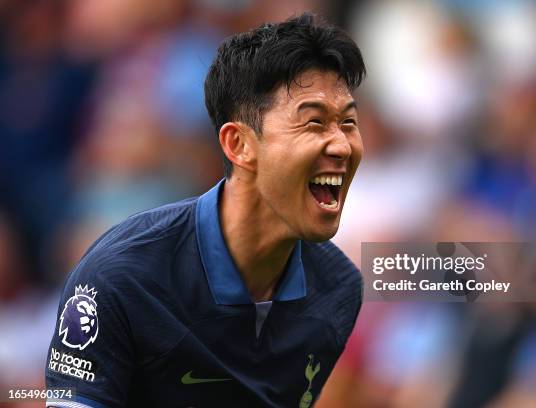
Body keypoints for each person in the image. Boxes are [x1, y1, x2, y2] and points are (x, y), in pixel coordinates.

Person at [45, 12, 366, 407]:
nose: (342, 145)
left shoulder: (338, 289)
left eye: (348, 122)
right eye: (314, 123)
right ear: (238, 145)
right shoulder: (119, 277)